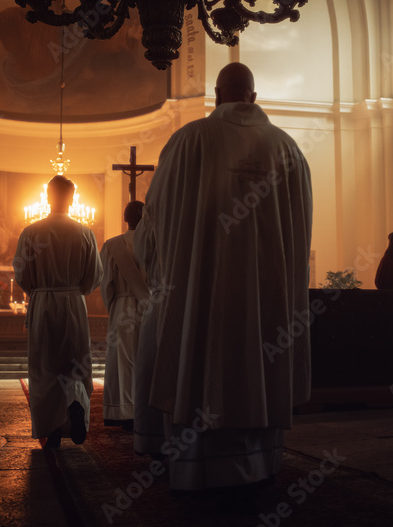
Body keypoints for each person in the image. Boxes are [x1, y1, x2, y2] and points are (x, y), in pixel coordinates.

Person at [134, 62, 313, 497]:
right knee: (260, 363)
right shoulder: (288, 149)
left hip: (201, 295)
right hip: (266, 297)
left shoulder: (188, 141)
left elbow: (153, 222)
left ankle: (200, 469)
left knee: (202, 365)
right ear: (253, 96)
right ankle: (259, 463)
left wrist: (161, 274)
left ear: (217, 95)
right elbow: (302, 230)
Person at [14, 176, 103, 448]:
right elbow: (94, 275)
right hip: (73, 303)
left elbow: (21, 273)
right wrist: (77, 290)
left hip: (42, 304)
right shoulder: (85, 232)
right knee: (75, 364)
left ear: (48, 196)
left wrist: (37, 290)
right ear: (73, 198)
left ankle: (51, 428)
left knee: (44, 369)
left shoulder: (31, 232)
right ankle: (75, 405)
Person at [99, 201, 149, 428]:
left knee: (123, 361)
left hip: (121, 308)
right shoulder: (156, 242)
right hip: (151, 306)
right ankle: (147, 411)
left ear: (125, 218)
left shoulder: (112, 246)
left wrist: (115, 306)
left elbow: (105, 283)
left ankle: (123, 412)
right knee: (147, 359)